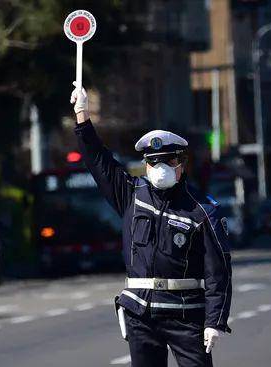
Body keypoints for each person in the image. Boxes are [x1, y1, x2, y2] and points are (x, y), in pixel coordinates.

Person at [70, 83, 232, 367]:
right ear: (144, 164)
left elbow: (218, 272)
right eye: (153, 162)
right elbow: (98, 160)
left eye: (168, 161)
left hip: (186, 314)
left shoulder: (202, 210)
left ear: (181, 163)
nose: (161, 168)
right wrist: (82, 113)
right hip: (140, 312)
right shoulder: (131, 195)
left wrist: (214, 321)